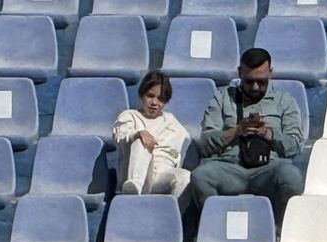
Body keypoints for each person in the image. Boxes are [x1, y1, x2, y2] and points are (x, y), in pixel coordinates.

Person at [189, 47, 305, 218]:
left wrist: (270, 135)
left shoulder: (284, 101)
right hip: (229, 168)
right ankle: (215, 225)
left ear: (270, 73)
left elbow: (295, 145)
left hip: (267, 169)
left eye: (262, 81)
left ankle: (279, 229)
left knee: (292, 177)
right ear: (239, 73)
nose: (256, 87)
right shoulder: (222, 98)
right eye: (249, 81)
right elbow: (206, 143)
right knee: (200, 176)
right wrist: (236, 131)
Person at [113, 71, 191, 202]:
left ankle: (174, 214)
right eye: (150, 96)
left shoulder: (171, 121)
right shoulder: (129, 116)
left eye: (160, 99)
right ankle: (134, 188)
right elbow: (120, 135)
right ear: (141, 95)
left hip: (162, 174)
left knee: (184, 176)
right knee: (141, 141)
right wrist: (138, 133)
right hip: (139, 174)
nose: (154, 102)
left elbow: (187, 140)